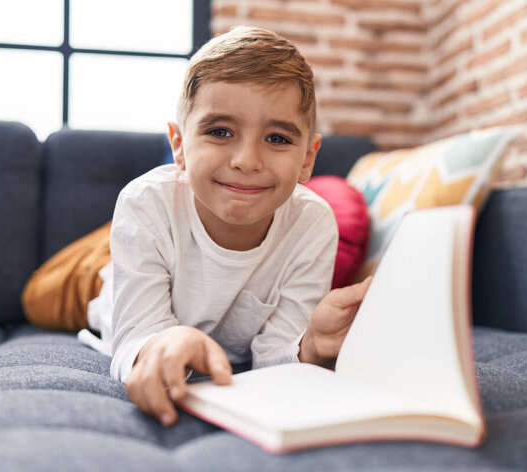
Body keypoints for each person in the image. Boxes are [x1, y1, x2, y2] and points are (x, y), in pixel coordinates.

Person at [22, 26, 372, 428]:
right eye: (220, 131)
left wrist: (311, 345)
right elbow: (135, 338)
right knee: (37, 297)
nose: (246, 160)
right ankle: (115, 243)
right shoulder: (144, 203)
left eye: (277, 138)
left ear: (308, 159)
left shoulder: (313, 224)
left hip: (168, 223)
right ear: (179, 144)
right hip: (98, 283)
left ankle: (132, 239)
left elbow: (278, 351)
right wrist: (163, 342)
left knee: (154, 219)